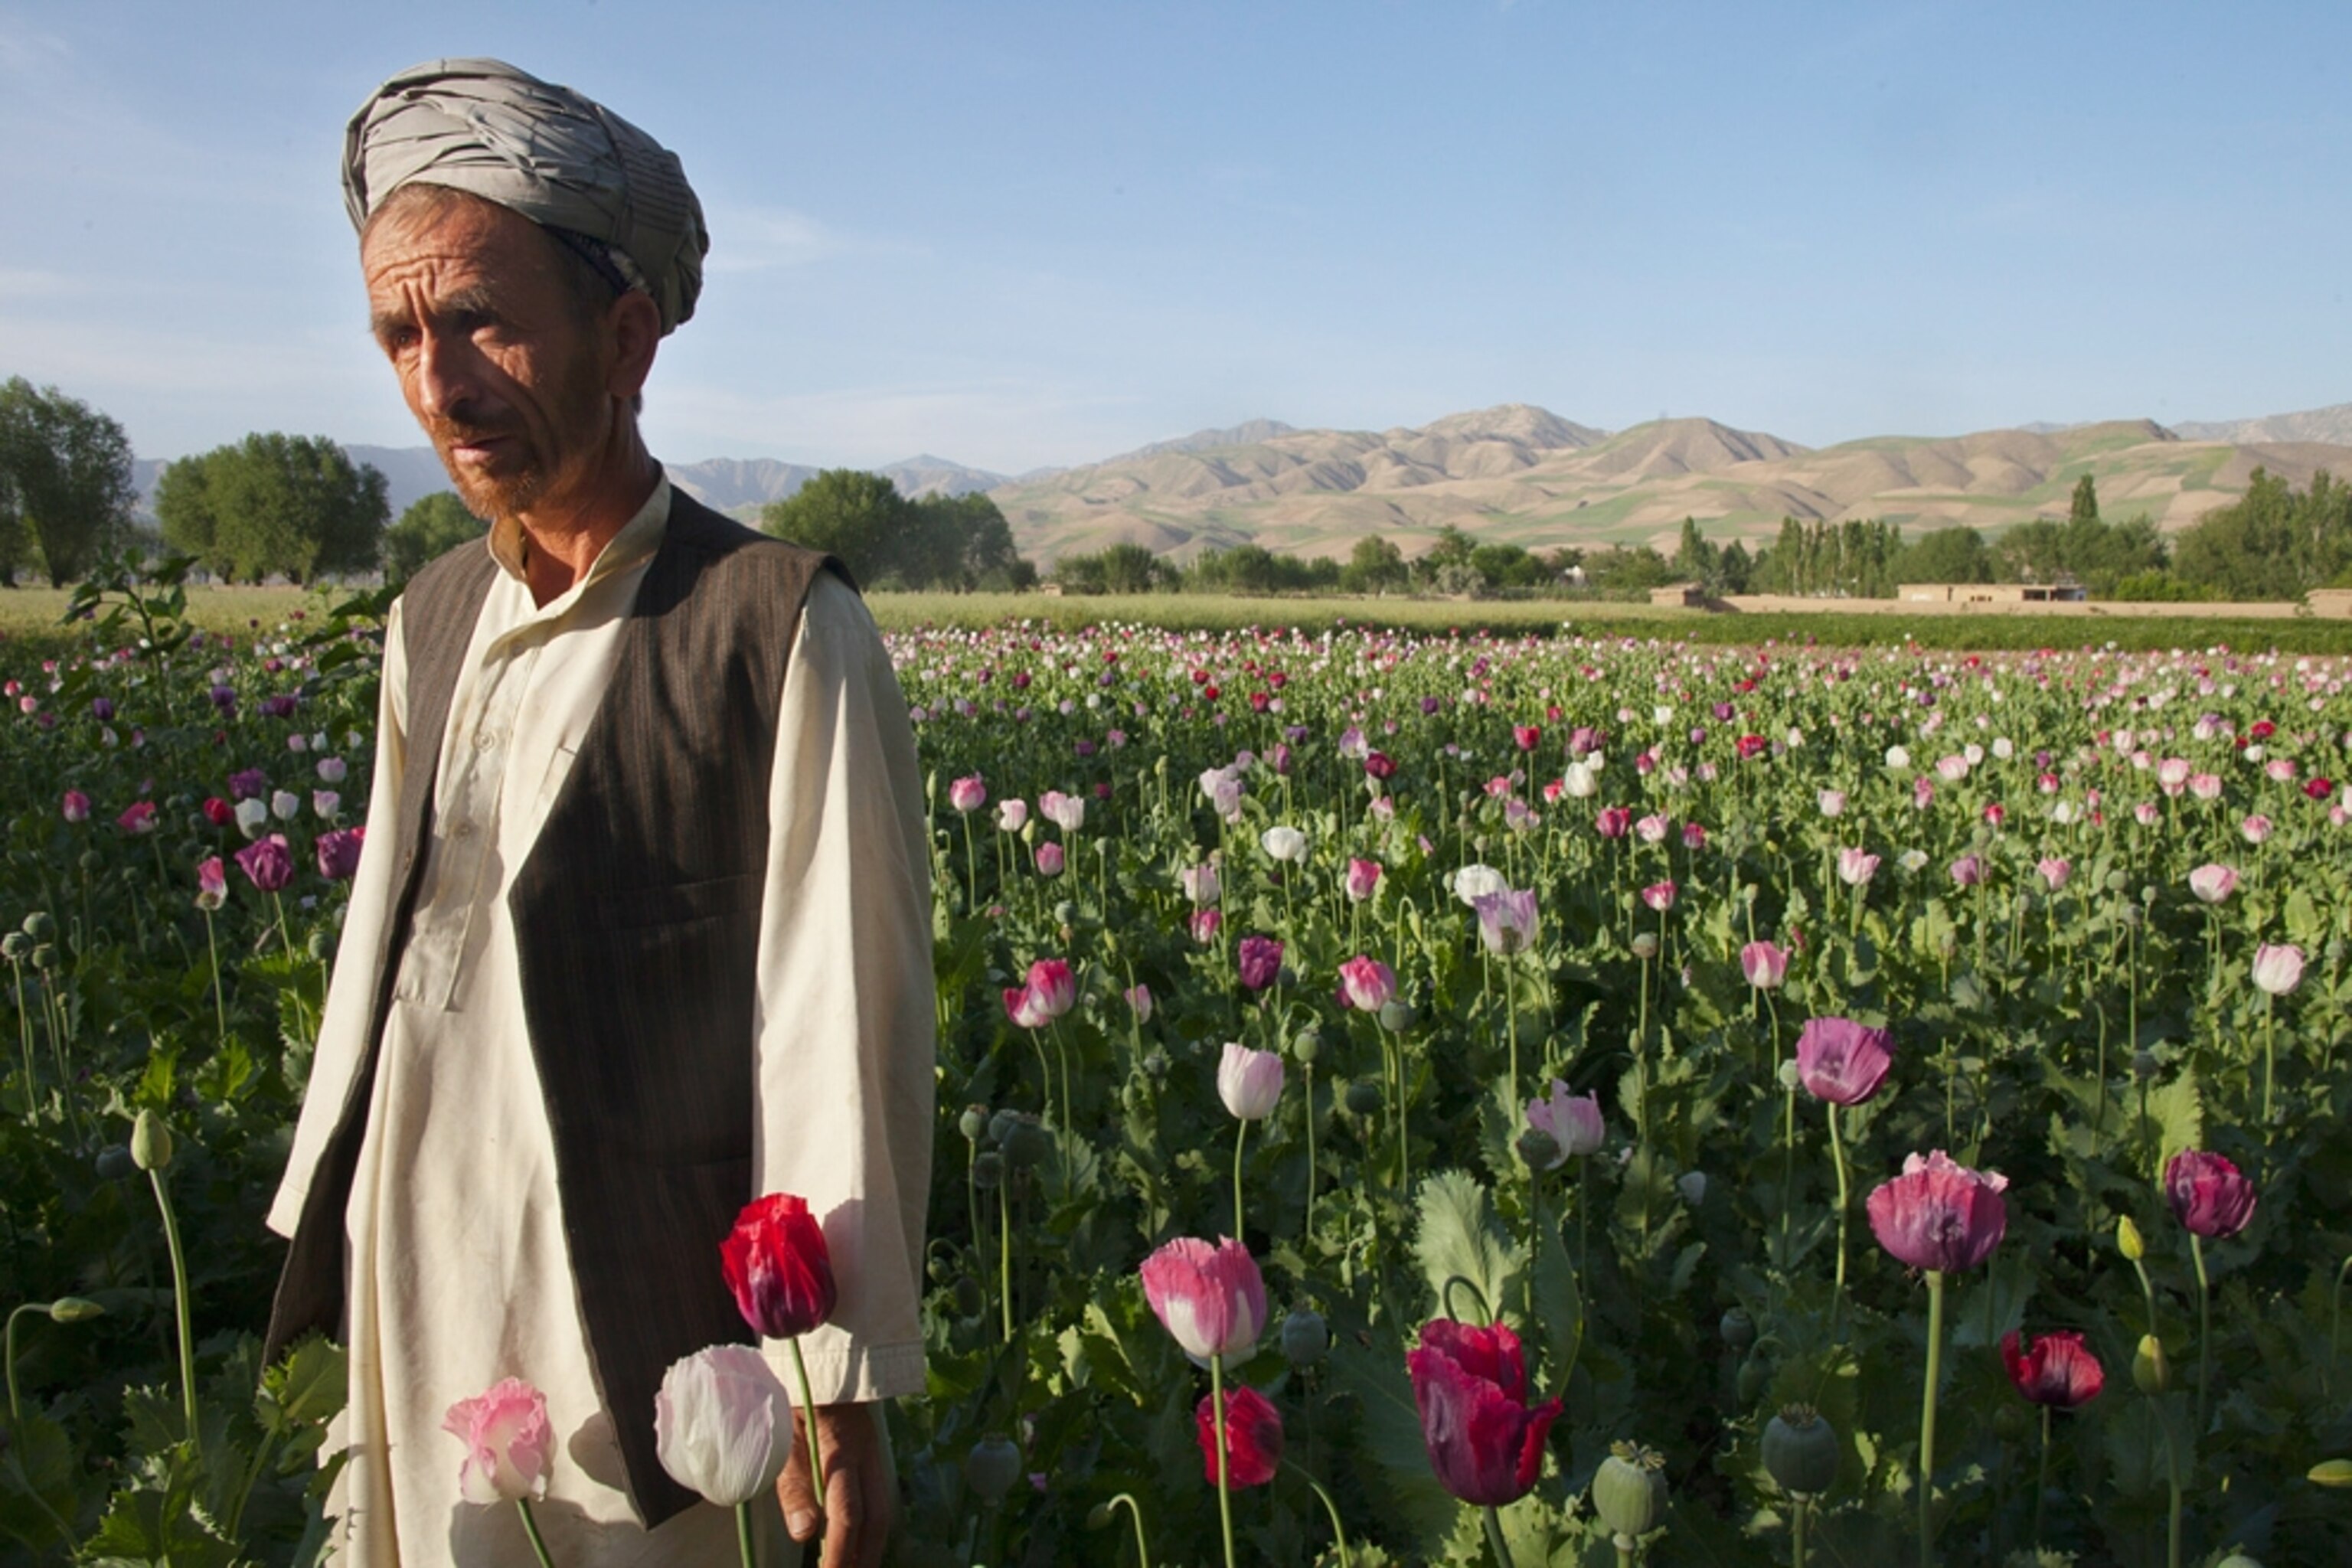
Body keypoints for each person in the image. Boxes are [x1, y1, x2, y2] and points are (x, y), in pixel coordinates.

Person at [264, 58, 934, 1568]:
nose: (439, 384)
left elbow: (840, 1025)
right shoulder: (428, 617)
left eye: (483, 323)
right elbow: (384, 963)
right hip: (419, 1271)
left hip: (637, 1316)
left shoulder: (774, 626)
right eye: (399, 335)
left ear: (628, 337)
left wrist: (834, 1380)